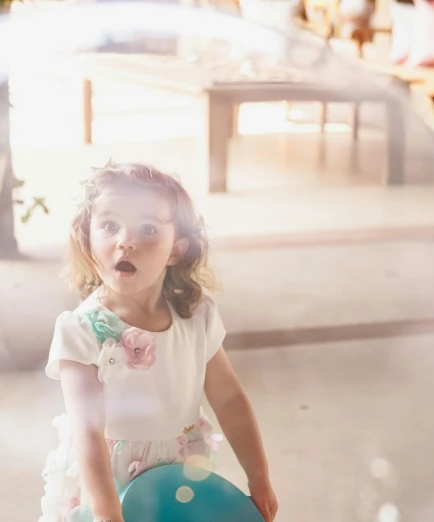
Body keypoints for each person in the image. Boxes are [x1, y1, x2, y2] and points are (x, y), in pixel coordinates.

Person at [39, 162, 278, 522]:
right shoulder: (81, 331)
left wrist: (258, 476)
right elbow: (87, 431)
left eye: (147, 228)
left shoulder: (197, 318)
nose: (126, 240)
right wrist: (107, 513)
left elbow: (229, 399)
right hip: (108, 480)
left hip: (180, 472)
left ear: (176, 249)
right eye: (109, 226)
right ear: (88, 240)